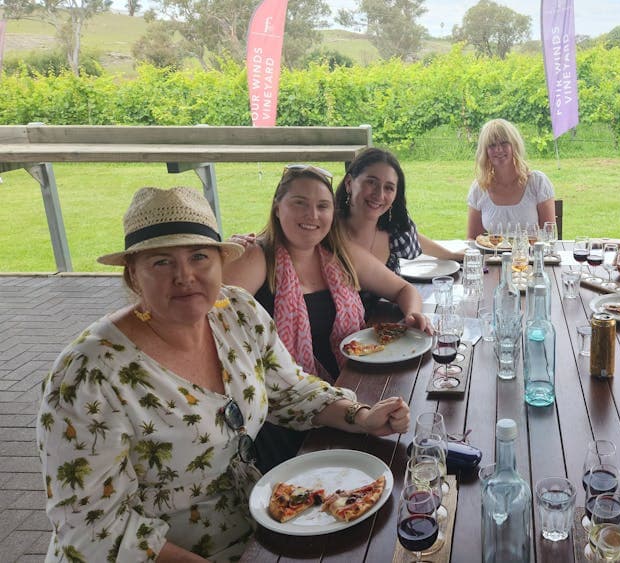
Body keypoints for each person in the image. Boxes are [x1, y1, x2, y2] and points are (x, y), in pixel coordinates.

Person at [37, 186, 411, 562]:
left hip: (259, 530)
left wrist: (361, 415)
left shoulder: (236, 312)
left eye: (199, 256)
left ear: (220, 261)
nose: (185, 276)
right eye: (161, 262)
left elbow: (291, 390)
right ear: (133, 275)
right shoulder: (87, 375)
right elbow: (91, 528)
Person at [223, 164, 429, 471]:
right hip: (289, 416)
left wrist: (413, 315)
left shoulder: (339, 253)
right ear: (278, 207)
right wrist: (225, 259)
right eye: (299, 204)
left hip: (355, 387)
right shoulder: (259, 257)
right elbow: (205, 317)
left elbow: (402, 289)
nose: (312, 215)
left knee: (412, 448)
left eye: (322, 206)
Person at [333, 147, 465, 309]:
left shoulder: (392, 231)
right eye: (371, 182)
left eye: (388, 187)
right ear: (349, 183)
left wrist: (451, 255)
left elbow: (416, 239)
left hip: (383, 328)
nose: (379, 195)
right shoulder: (327, 232)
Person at [465, 118, 557, 238]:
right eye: (492, 145)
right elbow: (473, 240)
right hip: (493, 256)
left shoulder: (537, 182)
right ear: (485, 152)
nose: (498, 149)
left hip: (530, 256)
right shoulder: (479, 188)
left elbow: (548, 235)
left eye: (504, 143)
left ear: (514, 146)